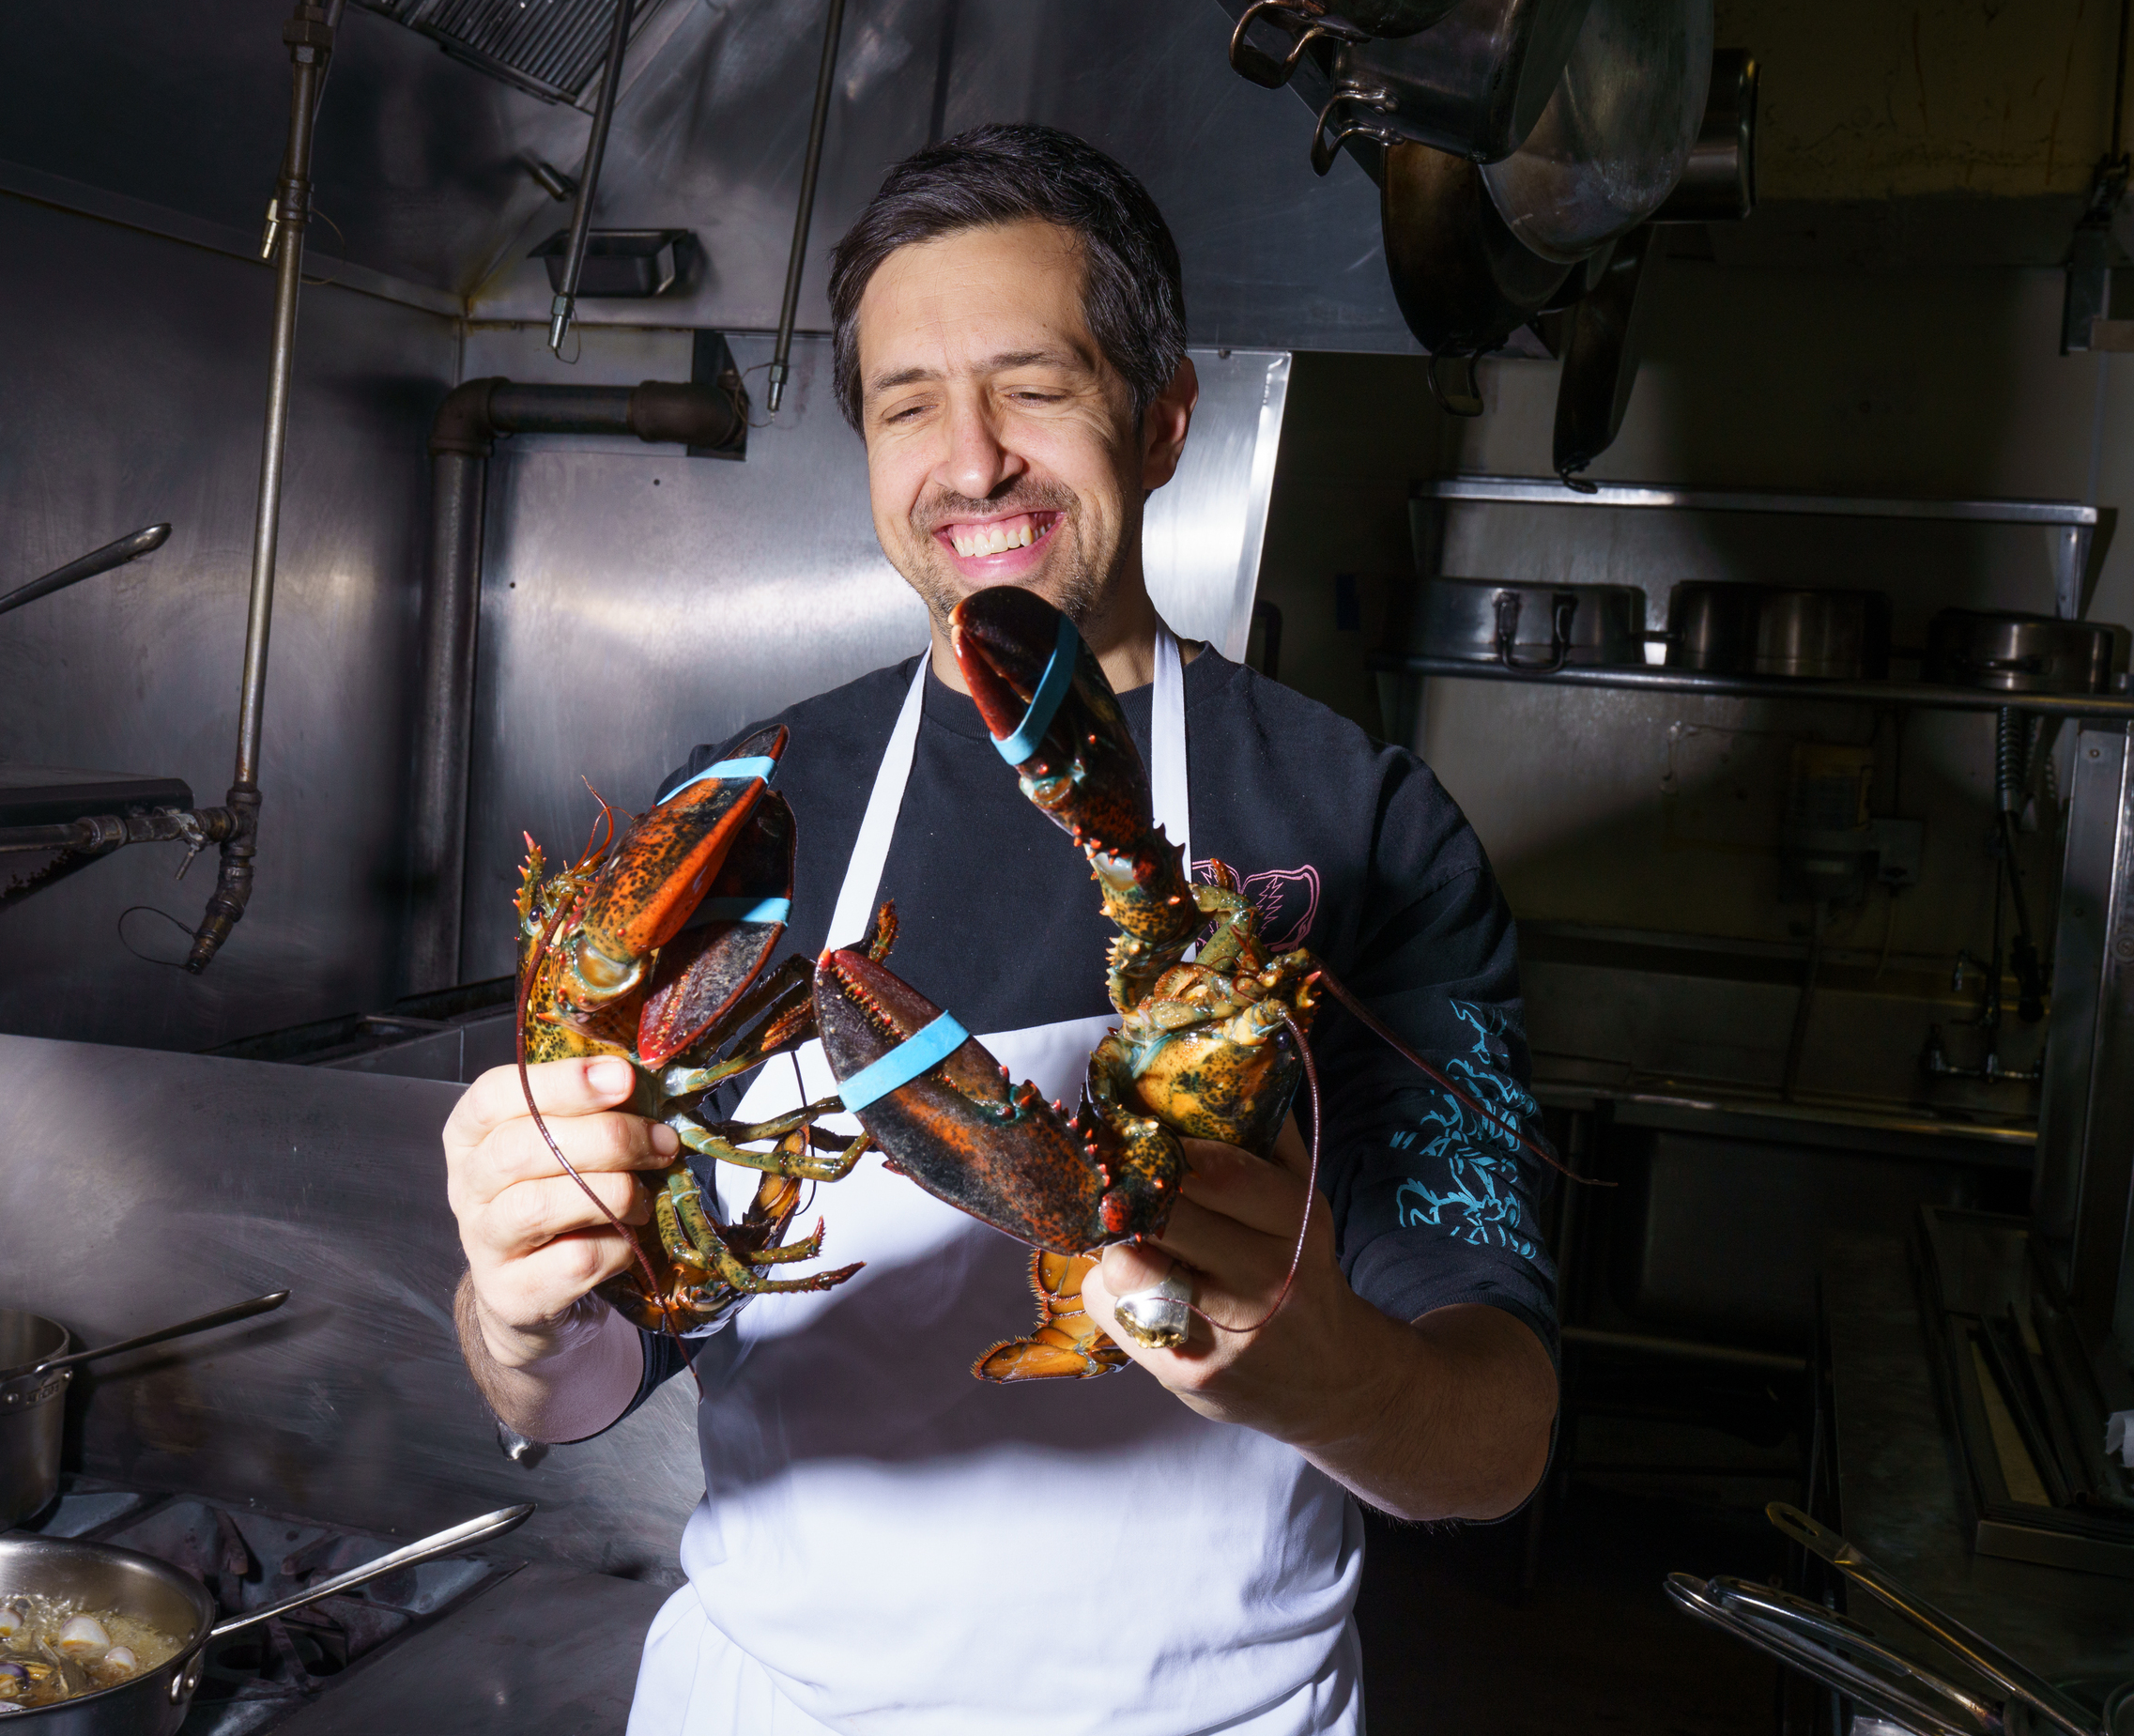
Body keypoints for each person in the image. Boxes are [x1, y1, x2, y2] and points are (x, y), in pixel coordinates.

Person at [441, 122, 1557, 1736]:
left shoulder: (1362, 828)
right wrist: (517, 1310)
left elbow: (1496, 1443)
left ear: (1163, 420)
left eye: (1033, 387)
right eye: (908, 406)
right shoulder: (741, 820)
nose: (970, 462)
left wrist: (1328, 1372)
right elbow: (601, 1370)